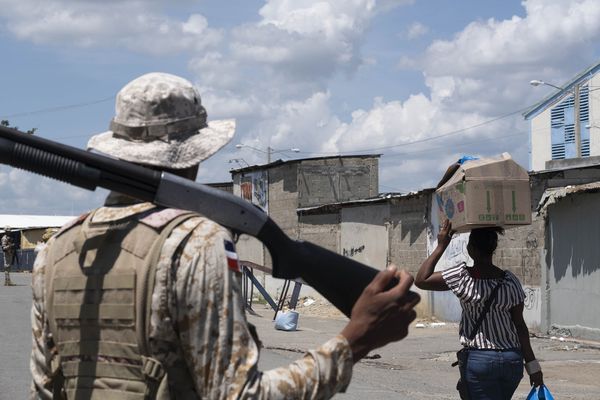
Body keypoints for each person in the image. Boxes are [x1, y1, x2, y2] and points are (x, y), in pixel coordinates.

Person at [30, 72, 420, 399]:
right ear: (195, 156)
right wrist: (353, 343)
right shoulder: (196, 243)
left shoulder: (55, 250)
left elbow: (44, 390)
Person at [415, 220, 543, 400]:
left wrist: (441, 246)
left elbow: (421, 279)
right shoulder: (509, 281)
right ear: (493, 249)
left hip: (480, 361)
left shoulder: (462, 277)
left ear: (471, 249)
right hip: (511, 360)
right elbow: (520, 326)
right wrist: (533, 366)